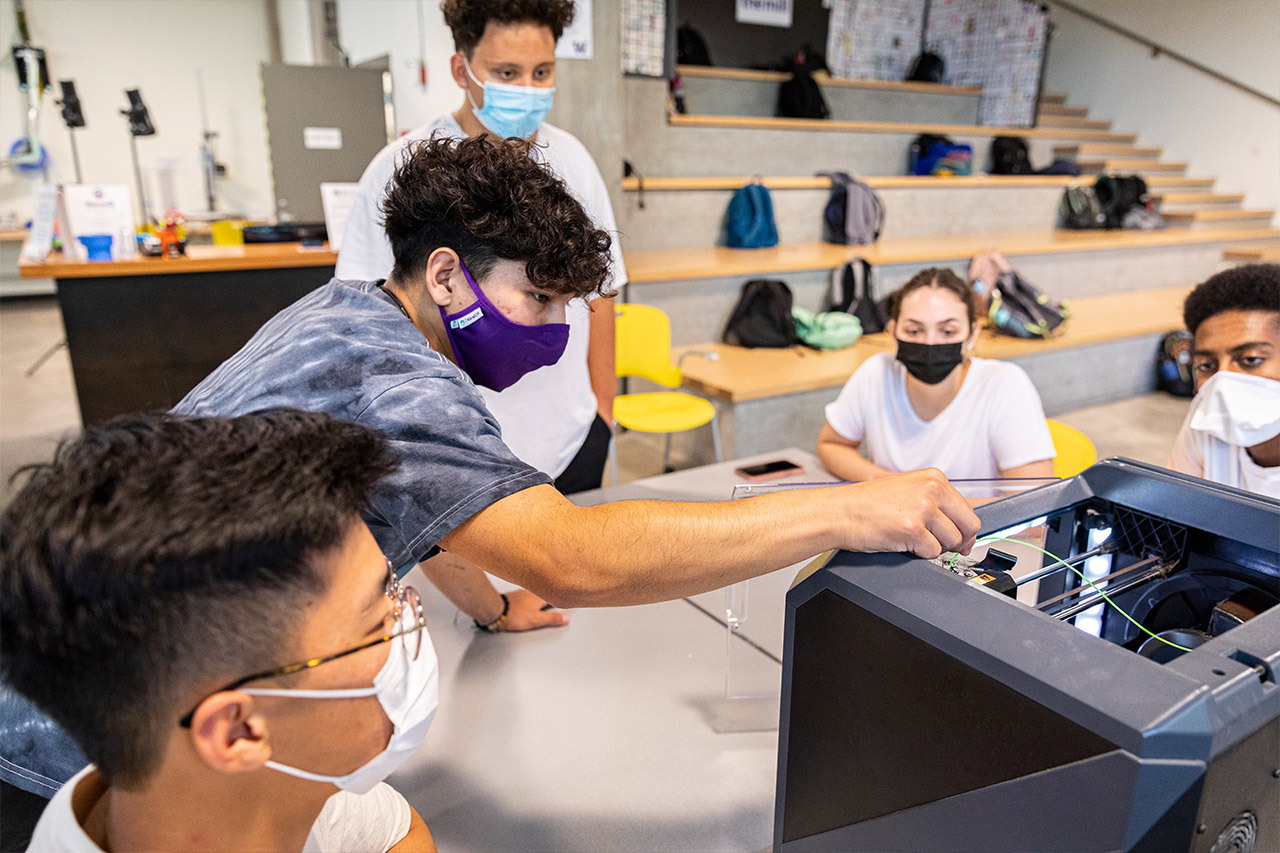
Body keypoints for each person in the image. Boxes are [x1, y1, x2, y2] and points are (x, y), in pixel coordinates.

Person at [176, 135, 980, 622]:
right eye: (538, 297)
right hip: (106, 724)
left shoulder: (345, 309)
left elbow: (432, 506)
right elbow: (574, 558)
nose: (559, 331)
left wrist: (491, 609)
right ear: (448, 275)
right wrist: (845, 508)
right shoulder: (399, 381)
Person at [1, 410, 437, 851]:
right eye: (380, 620)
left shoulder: (262, 780)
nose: (410, 620)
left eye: (395, 592)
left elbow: (397, 832)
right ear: (238, 731)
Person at [337, 0, 624, 633]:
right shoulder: (402, 171)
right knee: (478, 650)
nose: (527, 89)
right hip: (457, 452)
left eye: (542, 72)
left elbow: (603, 295)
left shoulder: (572, 160)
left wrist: (602, 409)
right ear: (460, 67)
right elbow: (368, 321)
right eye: (507, 72)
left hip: (568, 438)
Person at [818, 267, 1056, 483]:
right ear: (893, 332)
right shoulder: (875, 374)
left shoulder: (1004, 385)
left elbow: (1034, 507)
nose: (930, 342)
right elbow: (831, 444)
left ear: (972, 335)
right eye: (914, 330)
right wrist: (892, 487)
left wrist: (930, 507)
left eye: (948, 331)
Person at [1170, 263, 1280, 498]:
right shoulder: (1206, 417)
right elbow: (1177, 506)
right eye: (1207, 366)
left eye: (1251, 360)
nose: (1224, 380)